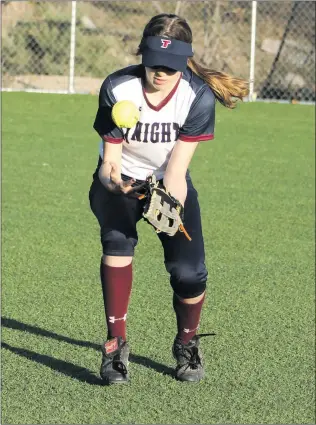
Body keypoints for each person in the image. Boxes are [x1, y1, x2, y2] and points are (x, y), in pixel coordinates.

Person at [89, 13, 249, 385]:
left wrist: (170, 206)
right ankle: (115, 344)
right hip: (121, 179)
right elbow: (109, 162)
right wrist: (114, 182)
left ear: (185, 61)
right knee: (117, 244)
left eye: (171, 65)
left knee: (189, 274)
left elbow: (177, 171)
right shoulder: (118, 86)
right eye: (154, 63)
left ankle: (187, 343)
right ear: (141, 53)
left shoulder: (197, 96)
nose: (160, 72)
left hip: (166, 182)